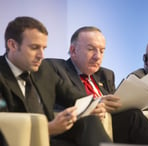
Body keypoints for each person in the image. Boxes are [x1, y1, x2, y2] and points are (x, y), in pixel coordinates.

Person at [0, 16, 113, 146]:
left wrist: (95, 105)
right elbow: (5, 127)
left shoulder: (44, 70)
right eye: (34, 47)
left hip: (50, 138)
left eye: (43, 48)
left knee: (90, 120)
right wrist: (49, 128)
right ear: (12, 45)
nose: (41, 55)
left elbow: (72, 96)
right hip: (18, 140)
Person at [47, 26, 148, 145]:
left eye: (102, 51)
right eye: (90, 49)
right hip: (79, 127)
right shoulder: (56, 68)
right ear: (73, 51)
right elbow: (56, 104)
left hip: (109, 124)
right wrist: (95, 104)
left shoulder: (106, 74)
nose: (97, 56)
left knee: (134, 115)